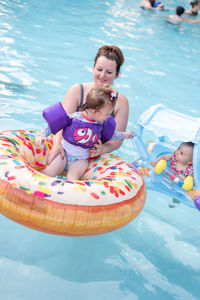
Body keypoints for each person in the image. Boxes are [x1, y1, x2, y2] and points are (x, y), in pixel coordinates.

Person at [47, 45, 129, 168]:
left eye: (109, 72)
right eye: (99, 69)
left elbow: (117, 141)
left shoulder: (121, 102)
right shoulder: (77, 91)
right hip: (67, 147)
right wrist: (56, 145)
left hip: (92, 156)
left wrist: (102, 149)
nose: (102, 75)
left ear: (116, 74)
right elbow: (60, 123)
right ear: (93, 68)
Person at [36, 84, 134, 180]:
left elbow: (111, 136)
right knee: (49, 172)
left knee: (72, 178)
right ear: (94, 111)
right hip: (64, 153)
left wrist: (126, 135)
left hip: (80, 160)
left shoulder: (101, 124)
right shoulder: (74, 118)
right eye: (107, 114)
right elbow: (54, 124)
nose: (109, 117)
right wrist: (42, 135)